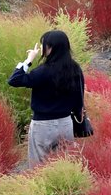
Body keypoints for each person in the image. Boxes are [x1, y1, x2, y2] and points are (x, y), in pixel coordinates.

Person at [7, 29, 85, 169]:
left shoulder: (43, 71)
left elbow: (14, 80)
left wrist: (29, 60)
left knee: (38, 167)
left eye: (44, 45)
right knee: (63, 166)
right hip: (66, 124)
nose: (41, 48)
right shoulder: (75, 69)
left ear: (50, 48)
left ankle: (39, 190)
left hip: (43, 125)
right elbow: (80, 96)